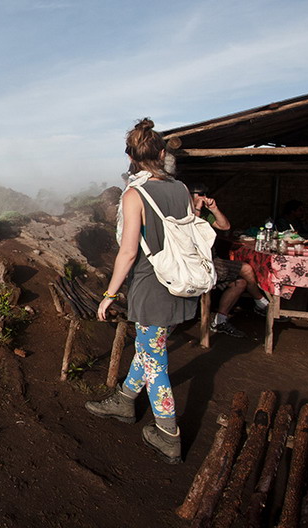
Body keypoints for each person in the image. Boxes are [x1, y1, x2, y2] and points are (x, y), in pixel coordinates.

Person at [85, 118, 192, 464]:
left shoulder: (134, 195)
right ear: (162, 153)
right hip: (180, 285)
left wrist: (109, 294)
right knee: (149, 347)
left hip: (151, 289)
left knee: (154, 359)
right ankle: (125, 400)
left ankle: (168, 433)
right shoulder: (181, 189)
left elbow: (129, 251)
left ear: (130, 157)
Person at [188, 184, 269, 338]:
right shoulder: (184, 210)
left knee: (241, 283)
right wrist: (197, 208)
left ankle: (220, 320)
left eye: (206, 193)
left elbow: (225, 226)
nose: (204, 196)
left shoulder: (206, 213)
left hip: (212, 259)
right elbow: (191, 229)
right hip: (198, 262)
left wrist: (214, 209)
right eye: (200, 194)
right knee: (245, 269)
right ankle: (260, 302)